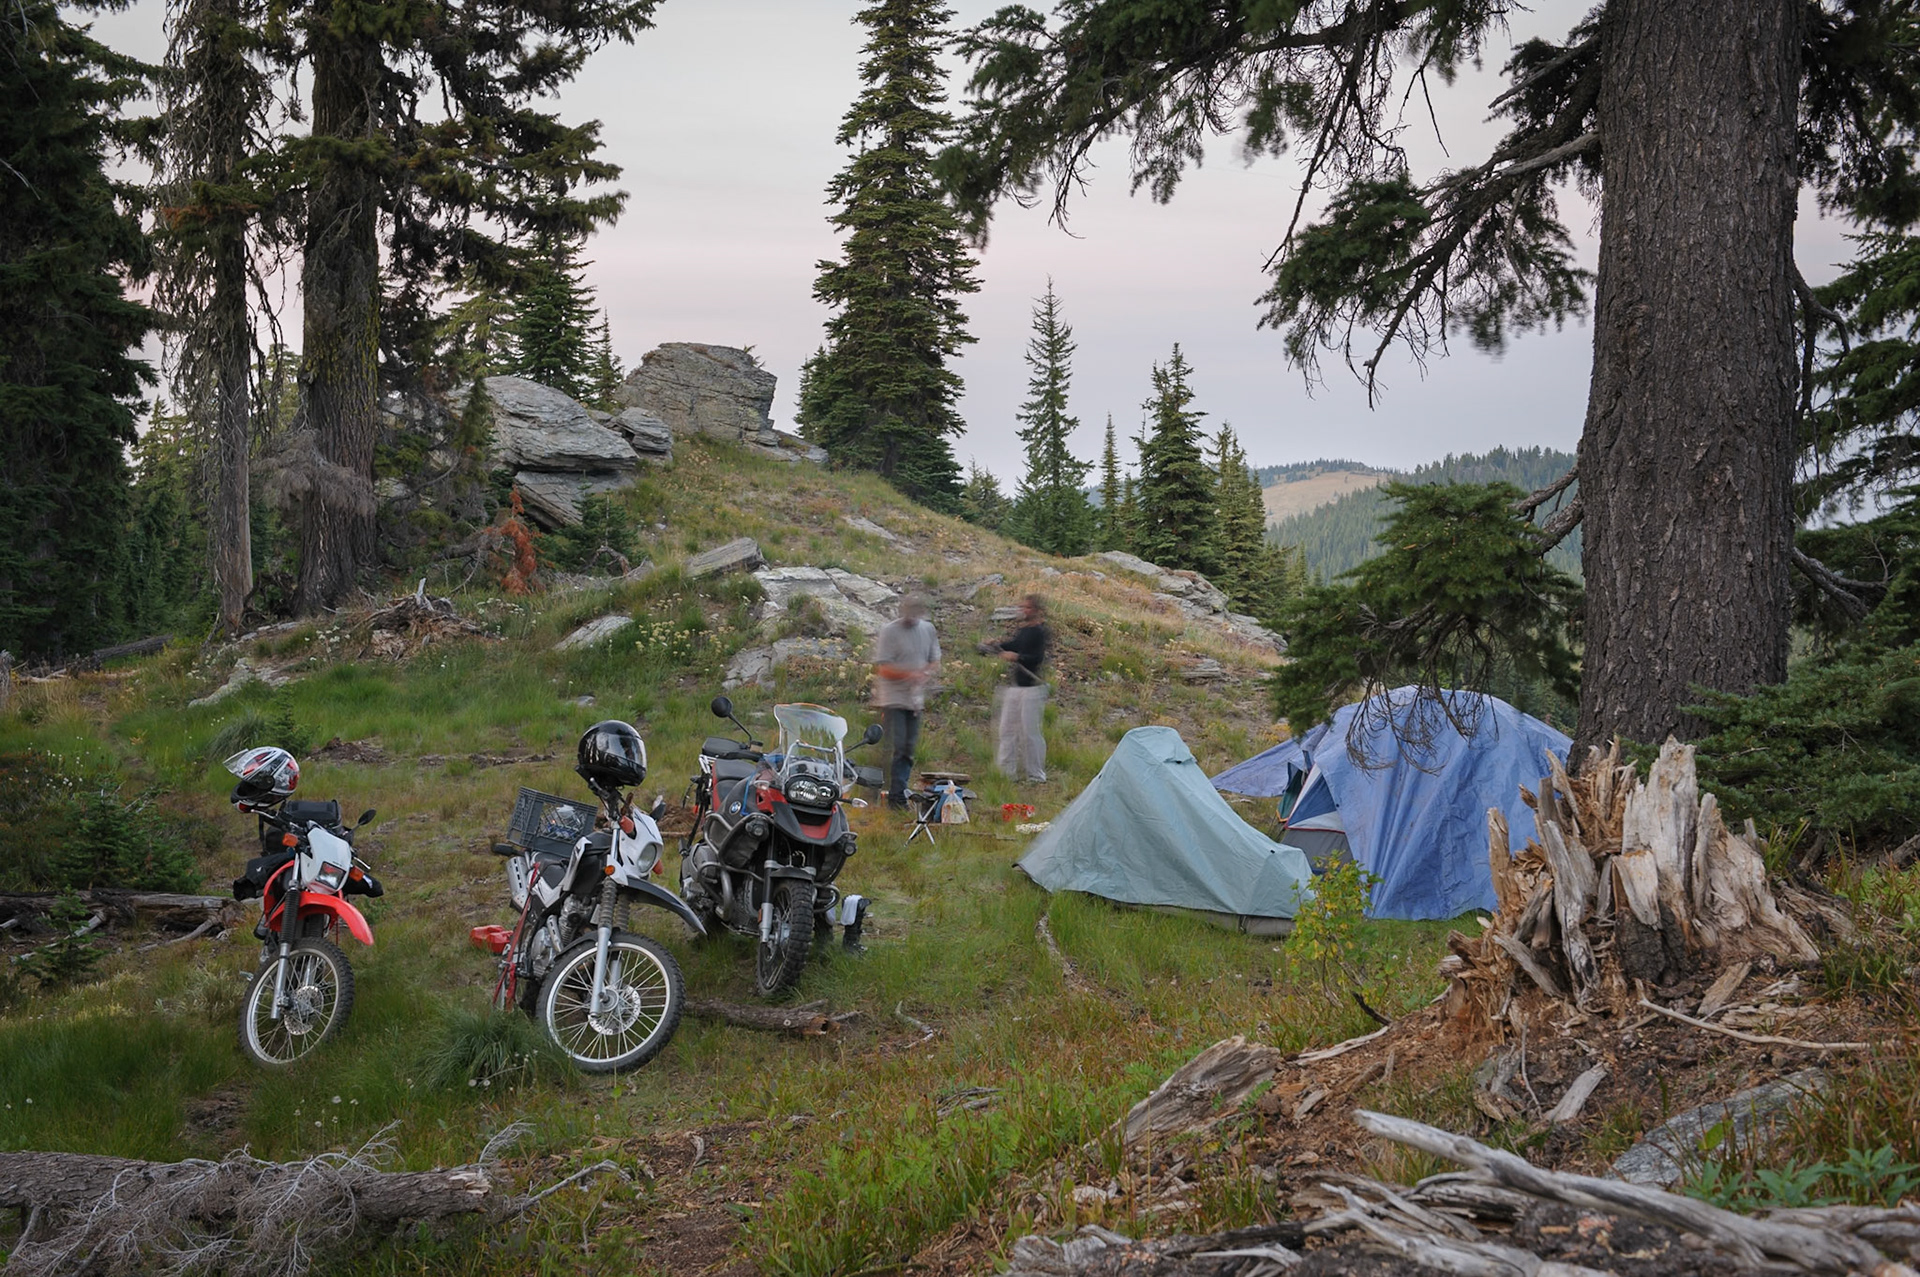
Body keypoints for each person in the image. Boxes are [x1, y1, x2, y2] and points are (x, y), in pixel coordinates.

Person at [871, 595, 940, 809]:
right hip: (893, 699)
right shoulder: (890, 631)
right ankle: (892, 796)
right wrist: (909, 674)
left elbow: (934, 659)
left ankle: (897, 792)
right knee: (896, 747)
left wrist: (925, 673)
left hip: (915, 700)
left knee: (908, 749)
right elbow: (883, 668)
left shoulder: (928, 629)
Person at [986, 594, 1049, 784]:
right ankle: (1006, 773)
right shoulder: (1023, 631)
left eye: (1028, 607)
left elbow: (1036, 657)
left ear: (1037, 610)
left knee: (1029, 733)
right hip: (1016, 687)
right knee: (1007, 729)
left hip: (1032, 689)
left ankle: (1036, 775)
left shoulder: (1040, 632)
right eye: (1023, 607)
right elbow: (1013, 645)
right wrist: (996, 645)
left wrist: (1017, 657)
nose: (1024, 610)